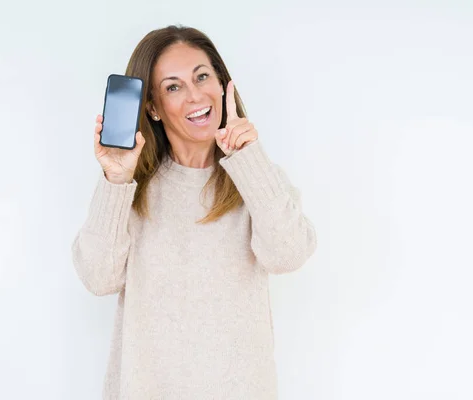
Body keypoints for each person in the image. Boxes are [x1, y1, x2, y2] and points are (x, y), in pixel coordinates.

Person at [71, 25, 317, 399]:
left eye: (202, 77)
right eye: (173, 86)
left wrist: (248, 158)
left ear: (222, 85)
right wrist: (116, 181)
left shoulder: (255, 177)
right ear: (152, 107)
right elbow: (98, 278)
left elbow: (289, 253)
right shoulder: (131, 191)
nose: (195, 95)